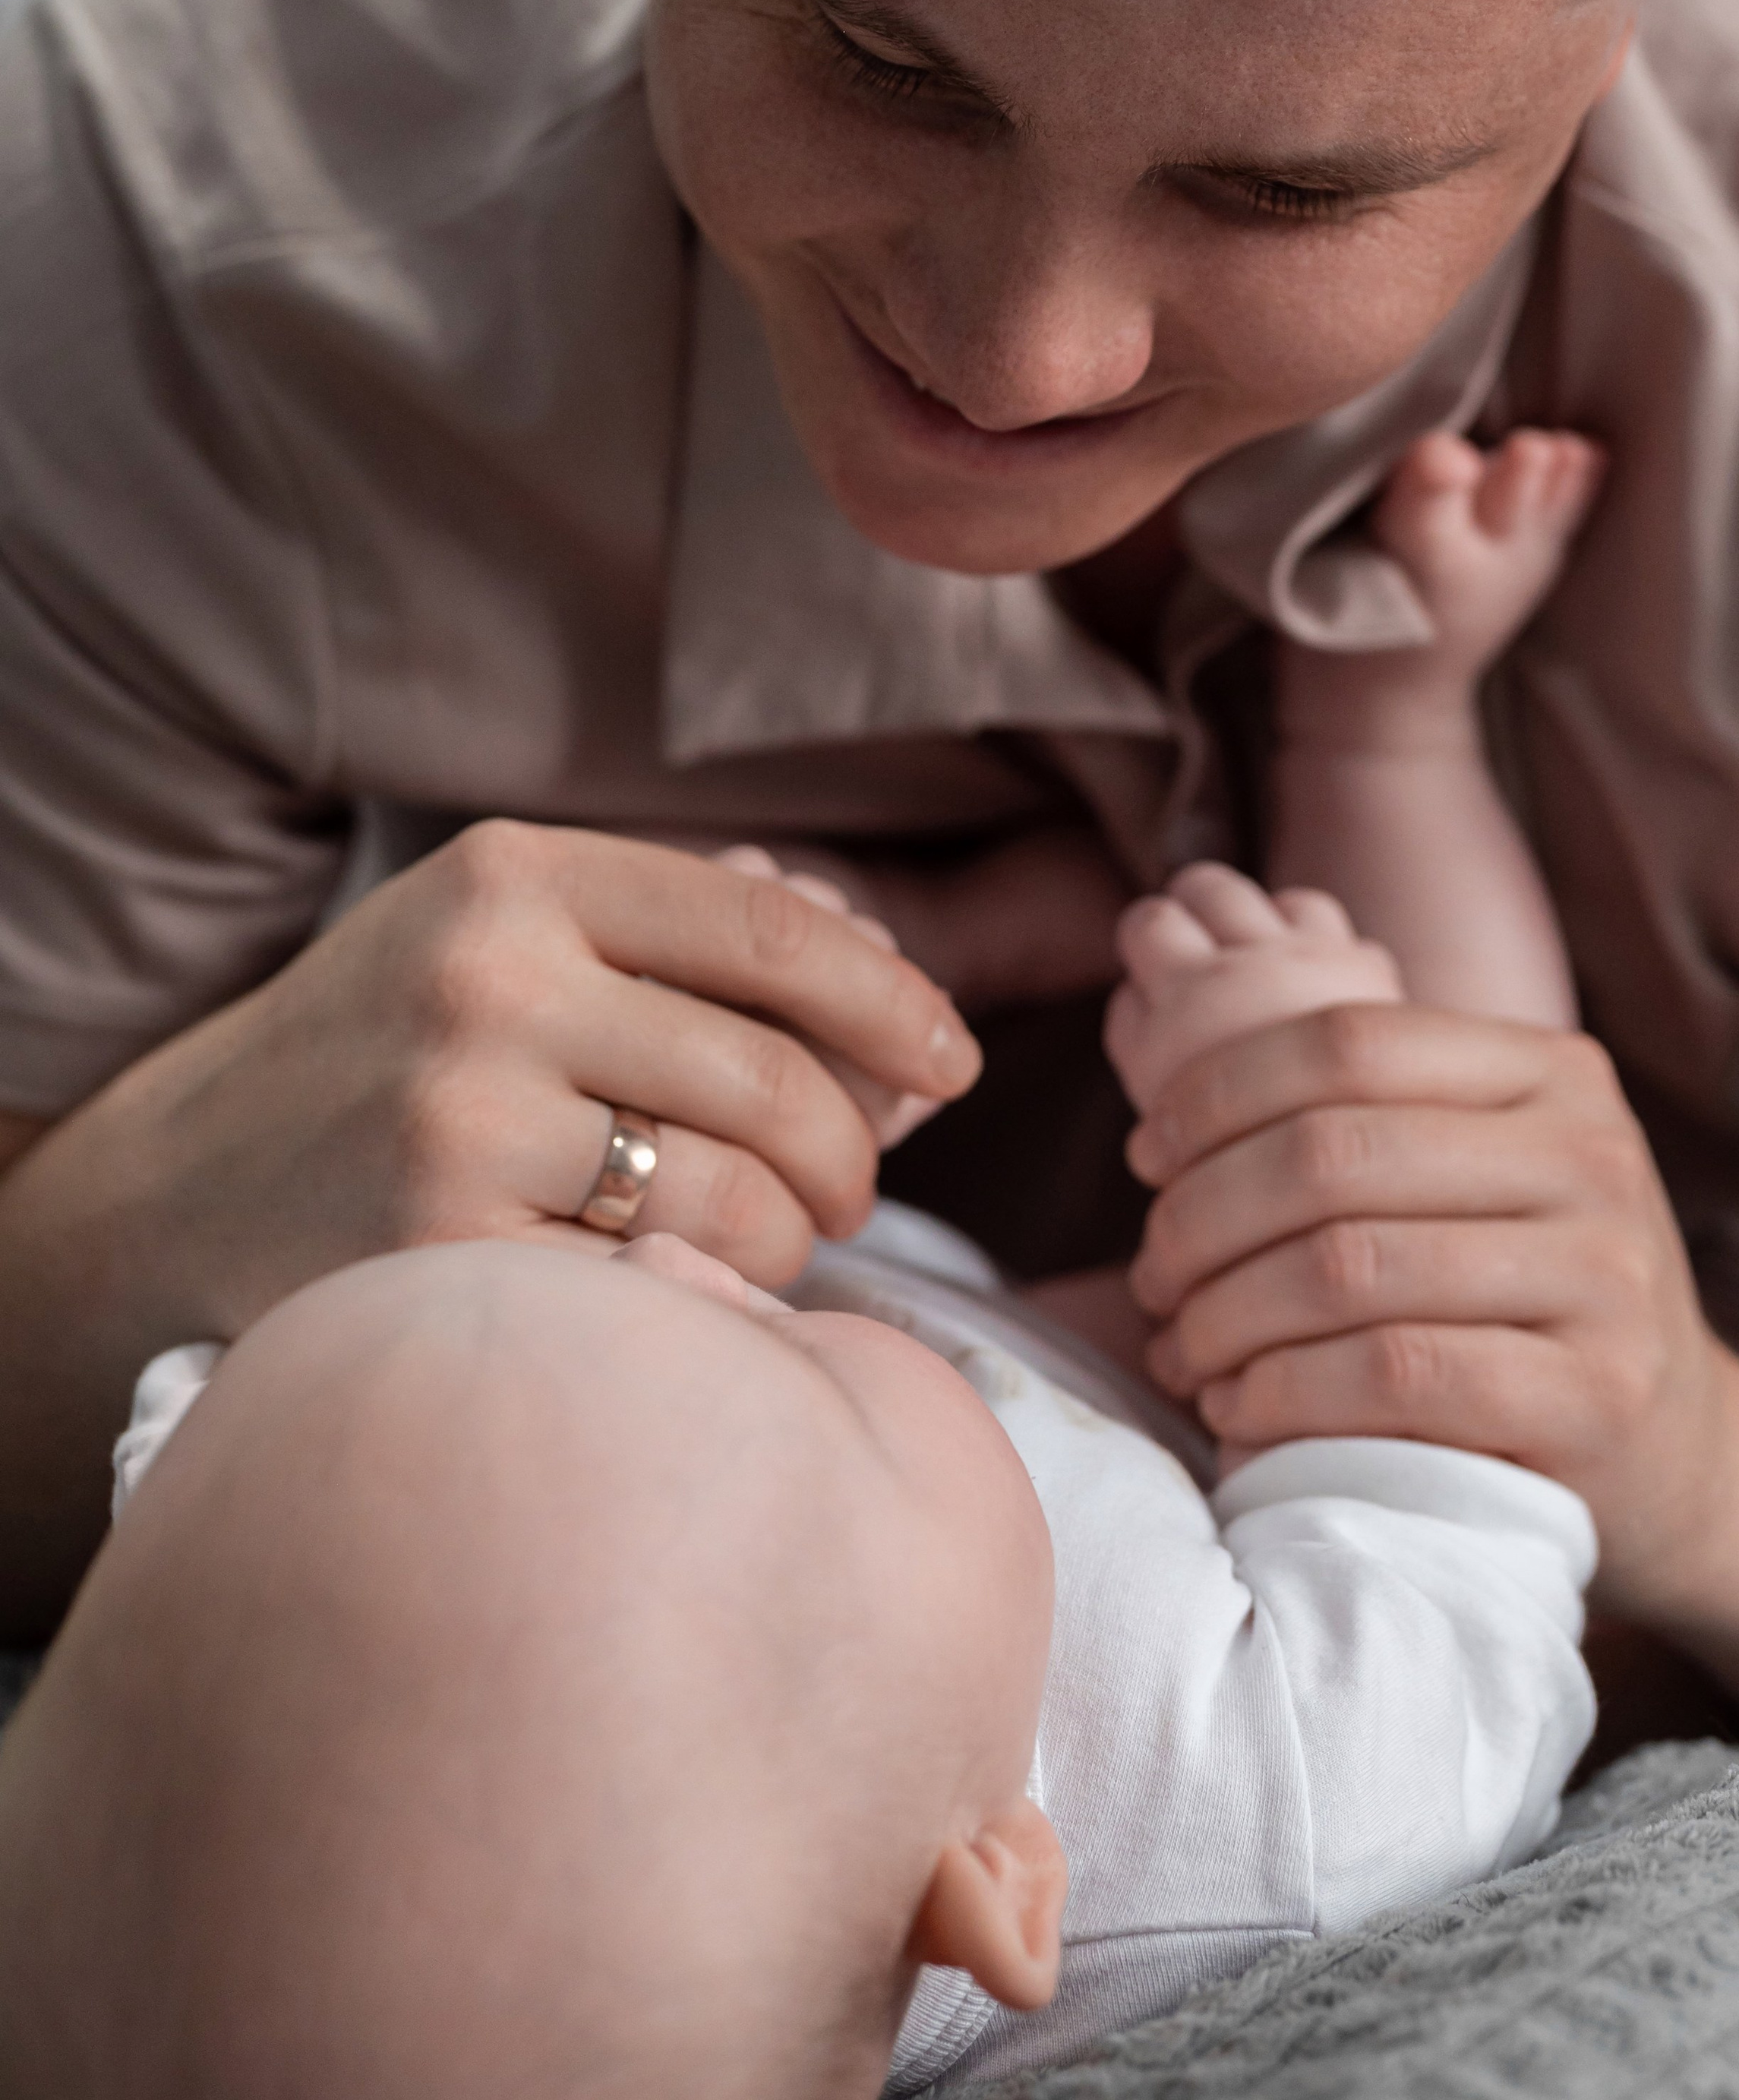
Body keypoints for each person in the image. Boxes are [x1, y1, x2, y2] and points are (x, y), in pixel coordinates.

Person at [1, 0, 1739, 1733]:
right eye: (883, 62)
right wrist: (133, 1242)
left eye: (1287, 189)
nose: (1020, 353)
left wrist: (1707, 1458)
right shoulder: (176, 235)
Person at [0, 427, 1602, 2095]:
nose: (686, 1286)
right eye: (770, 1366)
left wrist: (735, 1069)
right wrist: (1303, 1070)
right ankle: (1387, 724)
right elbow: (1477, 1453)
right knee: (1450, 1156)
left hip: (922, 1289)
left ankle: (934, 950)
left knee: (719, 1059)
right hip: (1239, 1424)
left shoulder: (250, 1529)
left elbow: (221, 1404)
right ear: (995, 1881)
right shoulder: (1264, 1812)